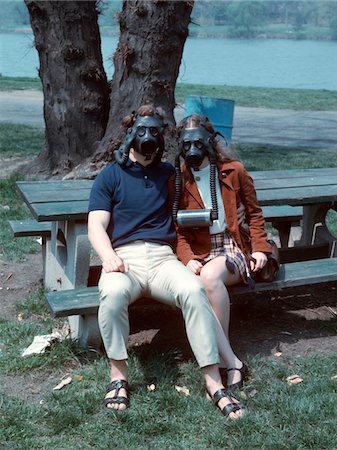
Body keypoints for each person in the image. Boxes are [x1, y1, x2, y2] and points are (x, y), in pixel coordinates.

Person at [87, 105, 244, 419]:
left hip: (163, 259)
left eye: (155, 133)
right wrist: (109, 257)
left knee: (193, 290)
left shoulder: (169, 174)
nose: (148, 139)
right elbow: (95, 225)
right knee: (113, 294)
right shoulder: (110, 175)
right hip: (125, 258)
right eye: (141, 132)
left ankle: (213, 381)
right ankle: (118, 376)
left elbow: (208, 174)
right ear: (130, 134)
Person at [173, 114, 272, 390]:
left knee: (210, 277)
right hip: (200, 250)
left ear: (210, 142)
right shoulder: (178, 179)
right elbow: (176, 228)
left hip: (231, 246)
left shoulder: (233, 170)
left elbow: (254, 213)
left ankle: (218, 358)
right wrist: (187, 257)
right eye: (187, 144)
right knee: (200, 280)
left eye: (198, 143)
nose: (193, 150)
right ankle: (232, 361)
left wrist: (261, 248)